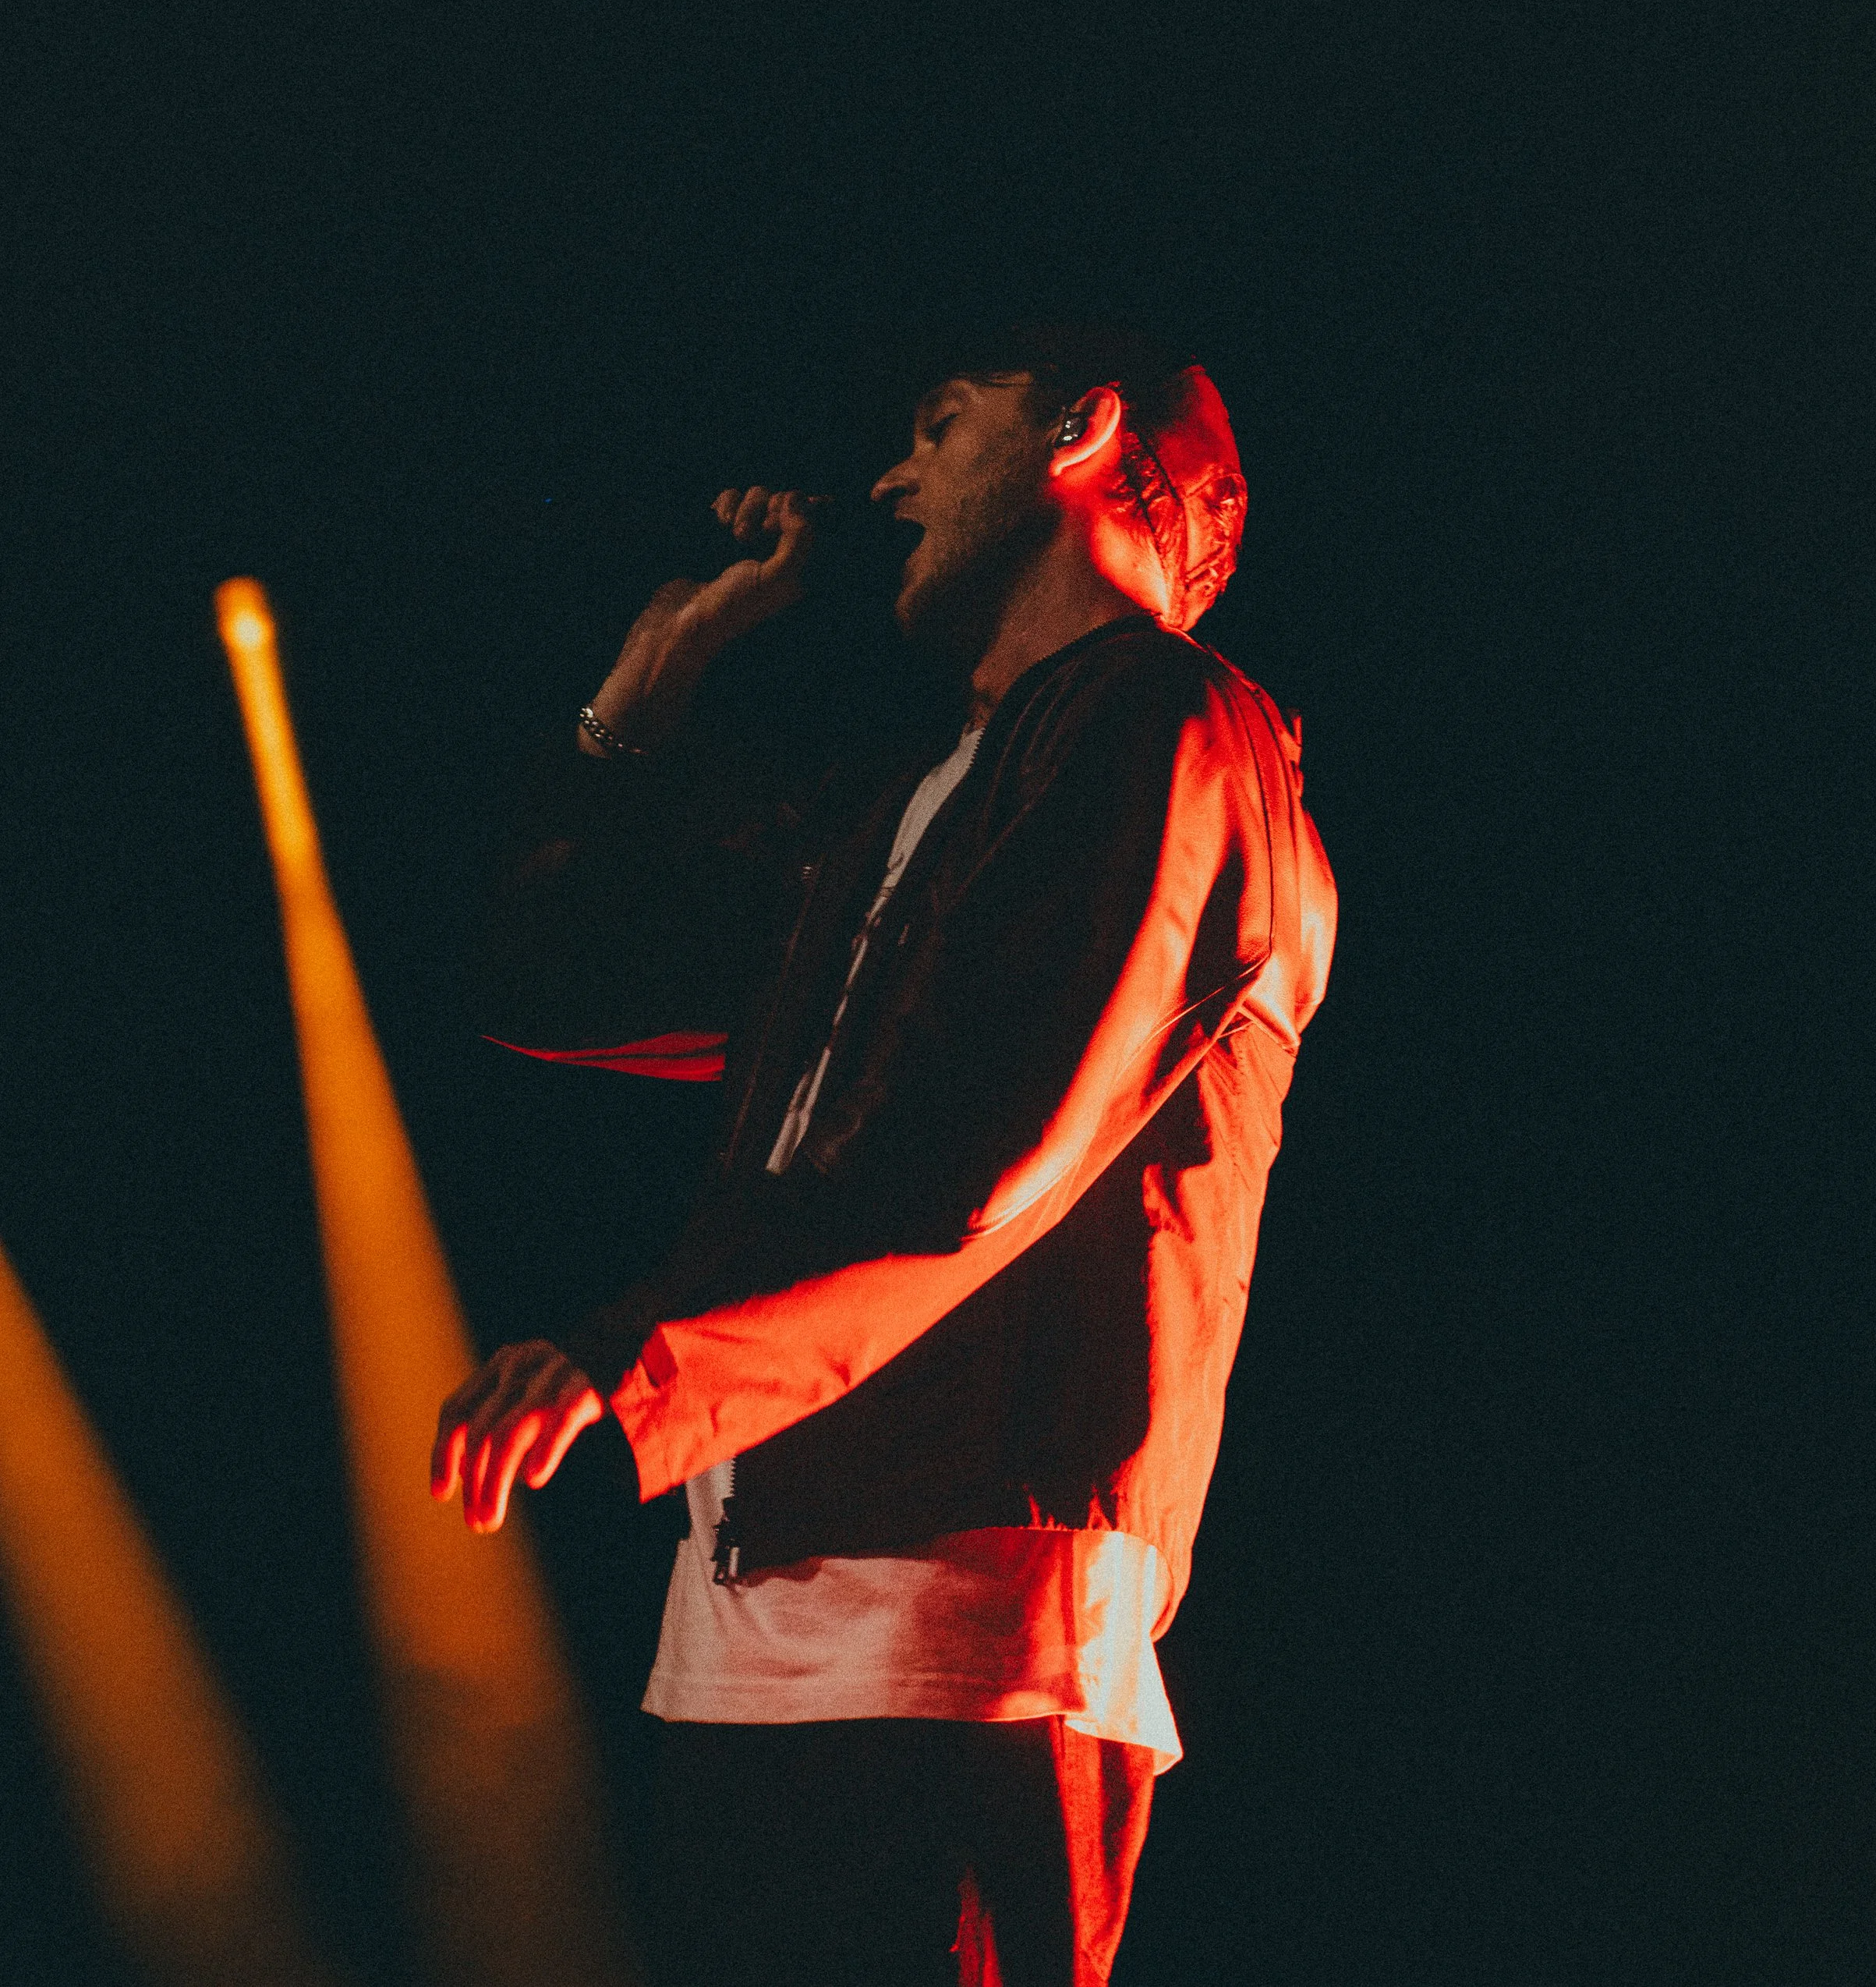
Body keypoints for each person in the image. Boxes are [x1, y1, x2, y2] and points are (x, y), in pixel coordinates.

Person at [432, 325, 1338, 1985]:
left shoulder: (1170, 726)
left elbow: (1001, 1138)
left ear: (1077, 428)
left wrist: (642, 1367)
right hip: (763, 1598)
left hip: (968, 1603)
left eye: (939, 425)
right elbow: (547, 992)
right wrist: (654, 682)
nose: (886, 477)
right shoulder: (918, 800)